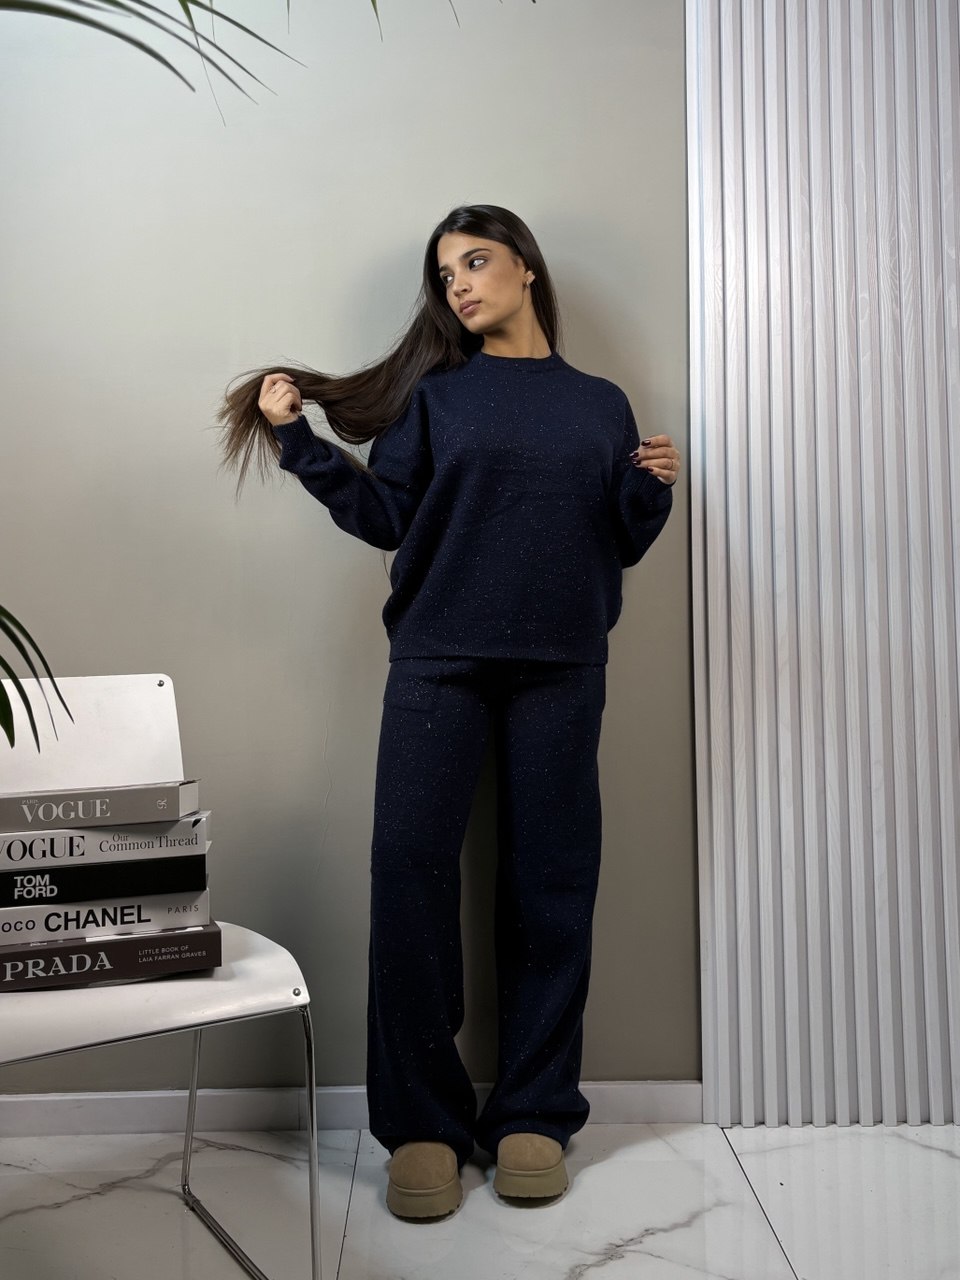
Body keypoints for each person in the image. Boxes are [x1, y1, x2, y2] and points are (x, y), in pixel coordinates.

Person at [218, 204, 680, 1221]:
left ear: (525, 268)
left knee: (553, 885)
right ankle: (423, 1123)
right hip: (438, 660)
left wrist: (650, 492)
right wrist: (296, 438)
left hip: (564, 666)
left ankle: (534, 1113)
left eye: (476, 262)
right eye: (446, 274)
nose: (460, 285)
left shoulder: (600, 404)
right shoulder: (437, 398)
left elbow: (615, 541)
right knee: (411, 880)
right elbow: (386, 516)